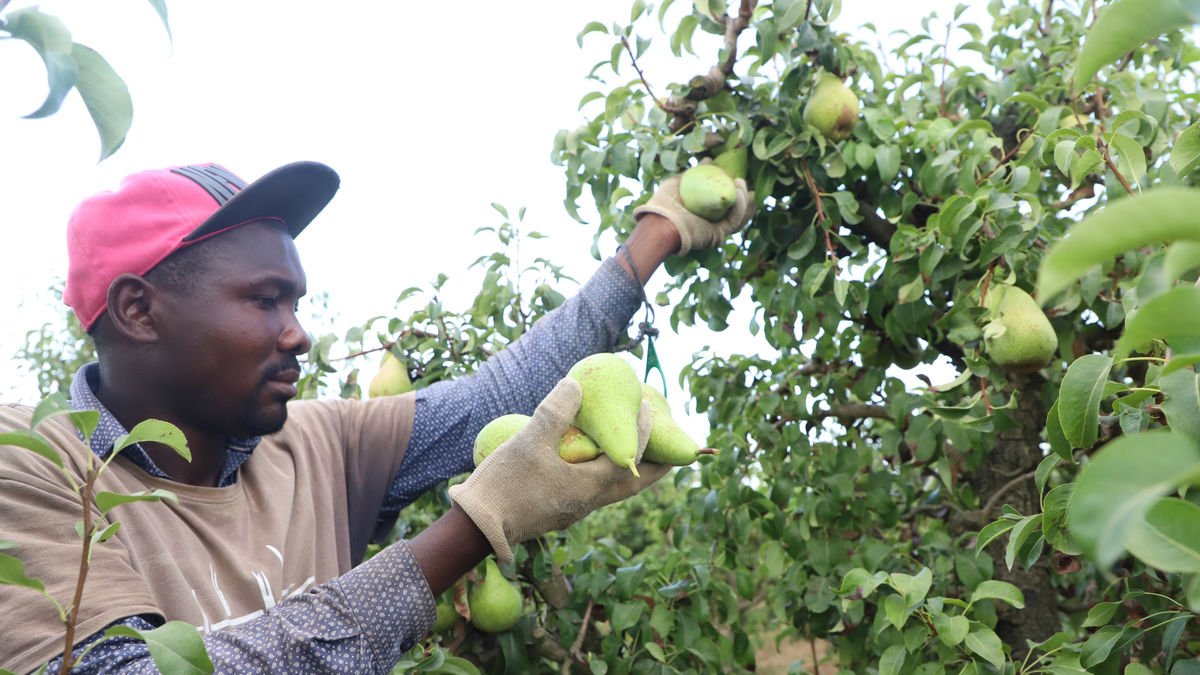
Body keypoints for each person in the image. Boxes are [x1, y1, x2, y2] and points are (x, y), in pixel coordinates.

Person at [0, 160, 753, 674]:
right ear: (138, 310)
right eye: (265, 300)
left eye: (296, 302)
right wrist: (474, 528)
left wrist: (655, 235)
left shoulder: (318, 443)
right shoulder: (30, 466)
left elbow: (506, 393)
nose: (299, 333)